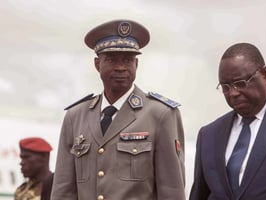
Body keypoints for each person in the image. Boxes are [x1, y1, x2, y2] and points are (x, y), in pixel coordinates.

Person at [51, 19, 185, 200]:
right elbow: (63, 190)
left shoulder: (160, 115)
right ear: (97, 64)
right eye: (112, 59)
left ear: (136, 64)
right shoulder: (76, 116)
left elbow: (172, 191)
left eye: (128, 60)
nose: (121, 67)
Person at [189, 42, 266, 200]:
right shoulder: (209, 135)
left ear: (265, 75)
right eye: (225, 87)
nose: (233, 93)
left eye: (240, 83)